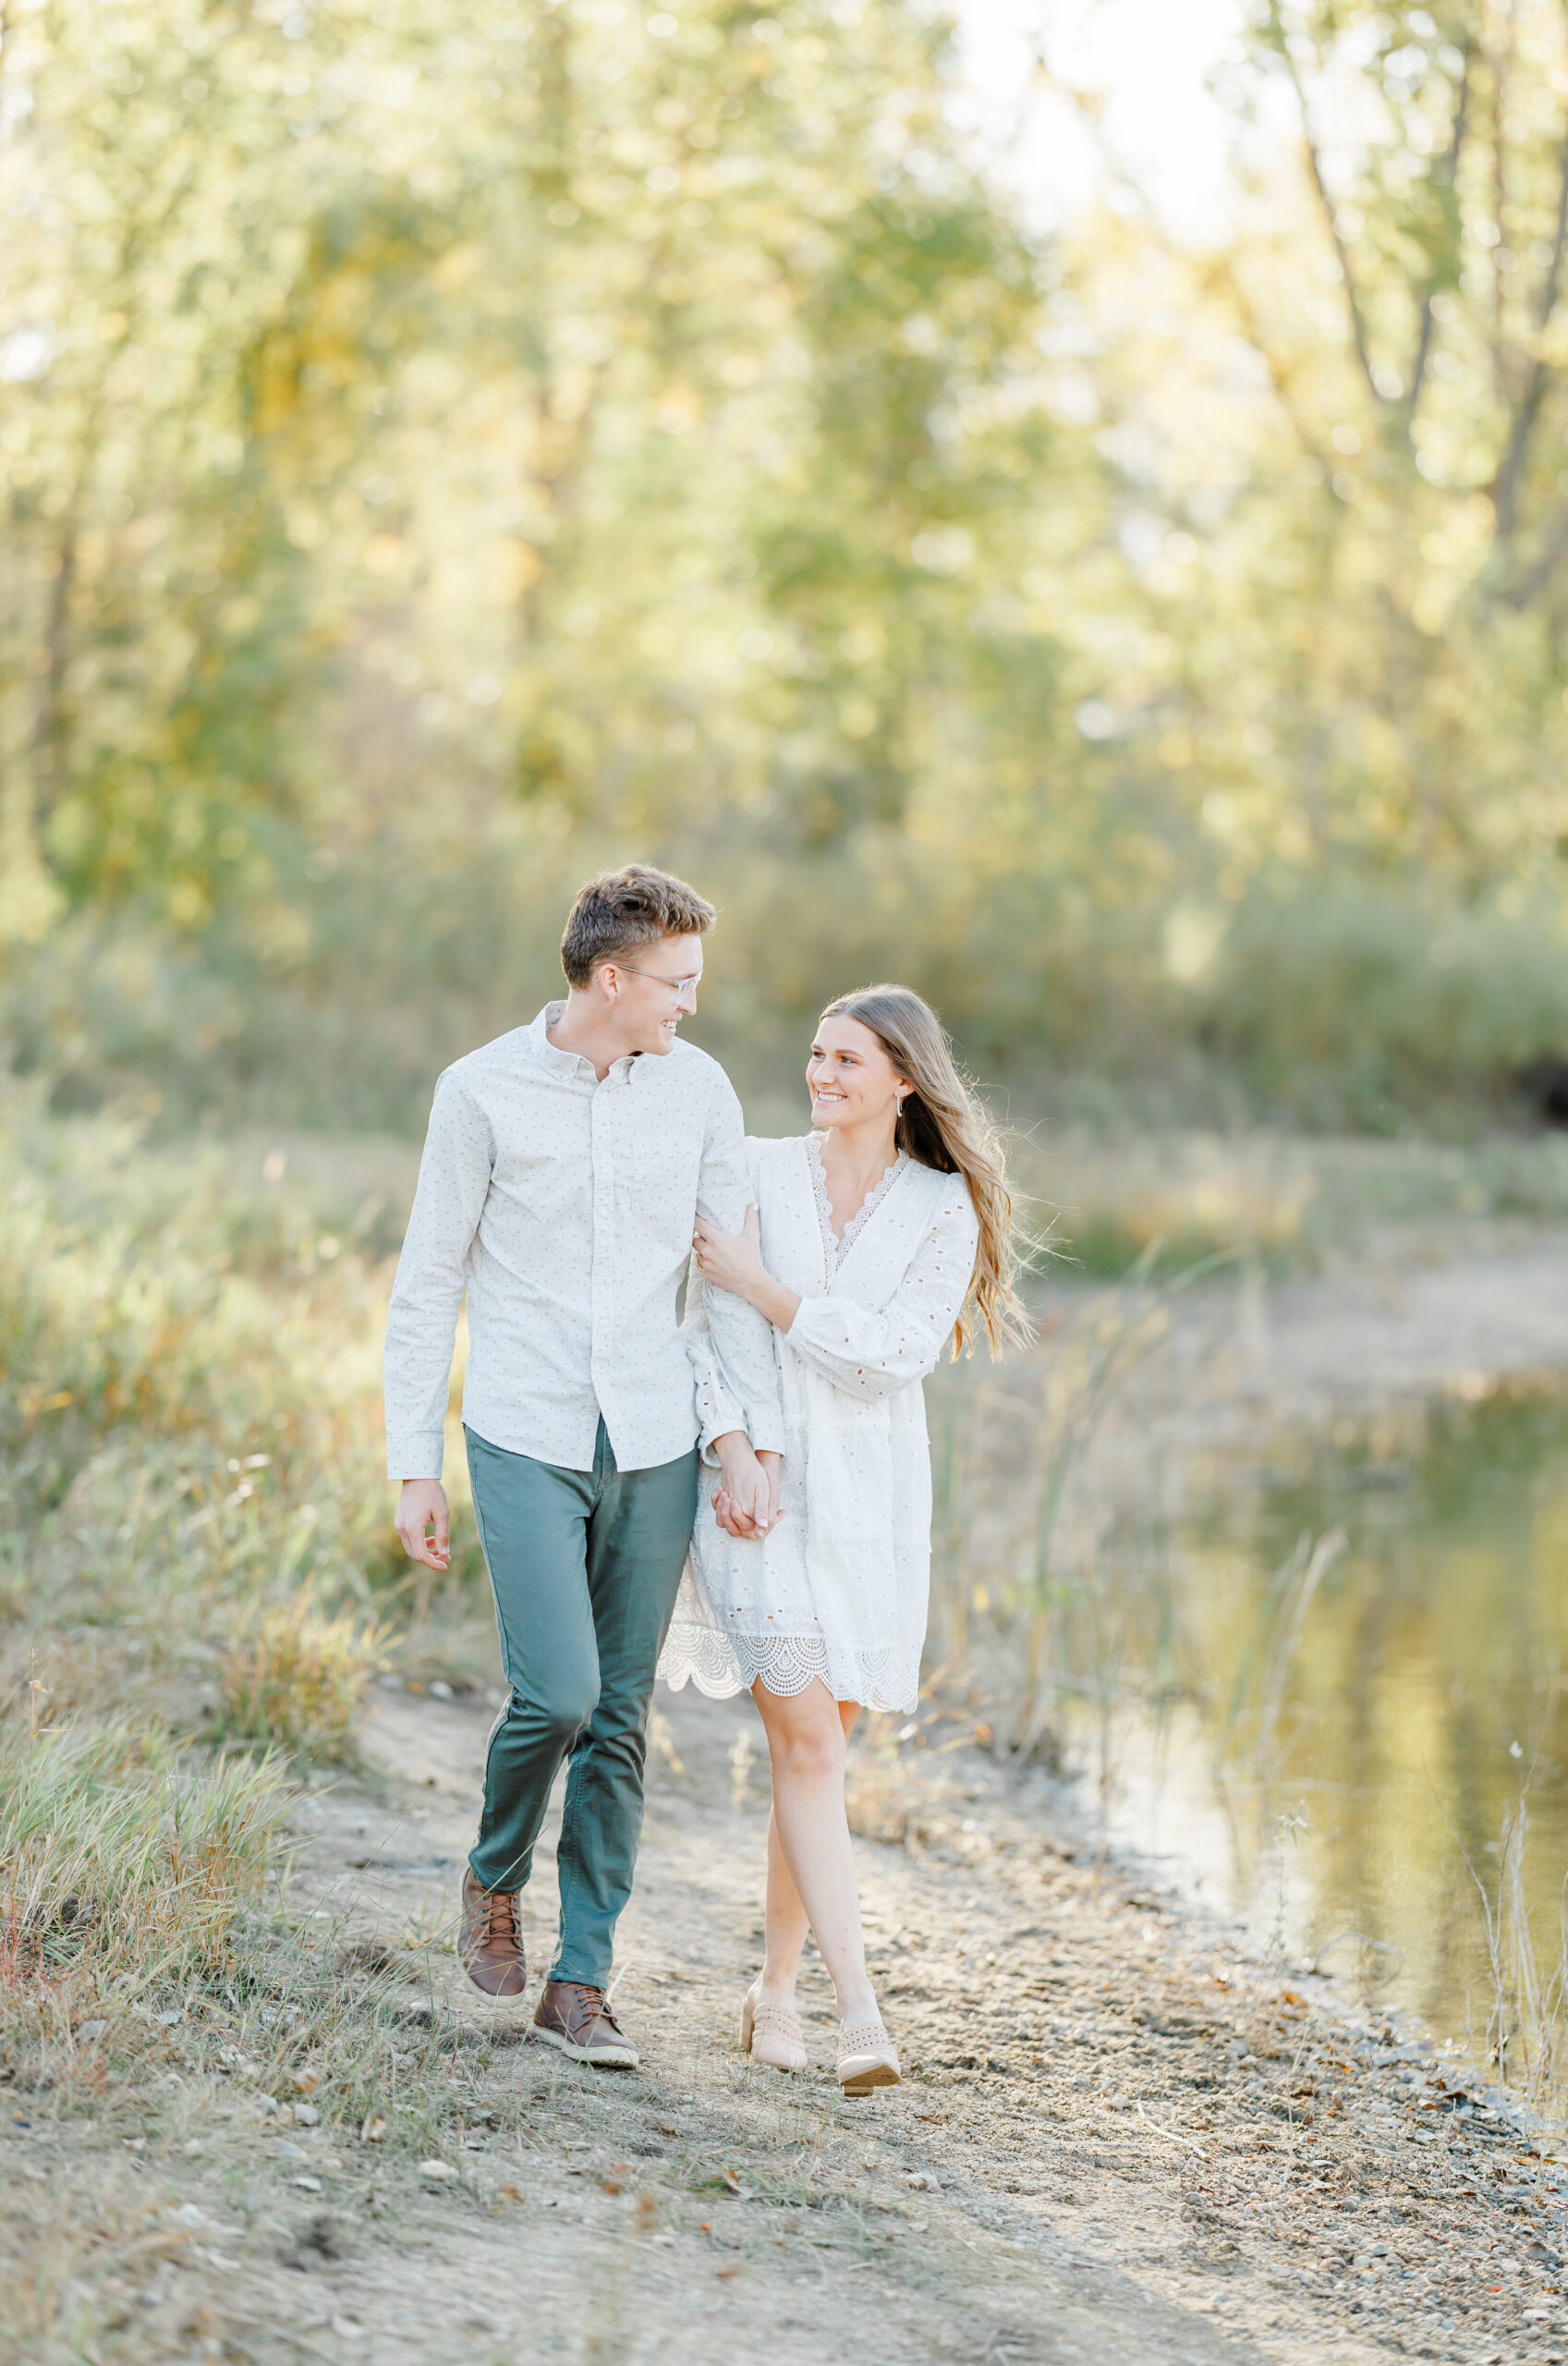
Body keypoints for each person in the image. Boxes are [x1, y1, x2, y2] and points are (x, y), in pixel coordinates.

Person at [383, 865, 784, 2068]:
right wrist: (414, 1463)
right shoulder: (480, 1093)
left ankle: (581, 1981)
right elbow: (426, 1283)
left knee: (619, 1717)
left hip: (656, 1438)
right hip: (523, 1428)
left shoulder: (700, 1092)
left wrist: (739, 1444)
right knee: (554, 1695)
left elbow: (723, 1290)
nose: (691, 1006)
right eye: (676, 983)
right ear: (611, 978)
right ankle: (492, 1875)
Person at [660, 984, 1027, 2094]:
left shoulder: (941, 1207)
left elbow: (886, 1357)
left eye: (847, 1061)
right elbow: (698, 1320)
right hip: (752, 1493)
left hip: (868, 1502)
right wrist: (733, 1446)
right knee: (810, 1746)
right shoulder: (757, 1170)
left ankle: (772, 1987)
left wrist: (770, 1288)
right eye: (815, 1054)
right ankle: (858, 2013)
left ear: (903, 1080)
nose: (820, 1074)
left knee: (814, 1750)